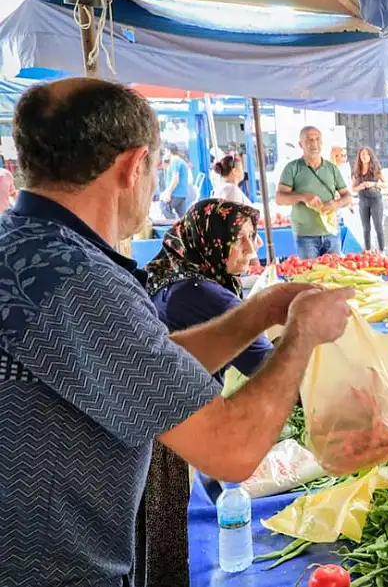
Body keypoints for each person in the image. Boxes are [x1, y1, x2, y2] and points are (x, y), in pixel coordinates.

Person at [0, 78, 355, 586]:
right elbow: (232, 451)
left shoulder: (26, 247)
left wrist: (257, 314)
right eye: (157, 169)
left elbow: (145, 361)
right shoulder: (76, 278)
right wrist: (301, 335)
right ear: (132, 165)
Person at [137, 198, 268, 586]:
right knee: (164, 533)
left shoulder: (169, 274)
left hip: (148, 420)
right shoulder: (200, 293)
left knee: (146, 534)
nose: (253, 248)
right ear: (211, 242)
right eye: (241, 240)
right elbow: (266, 364)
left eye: (254, 237)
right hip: (166, 432)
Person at [275, 126, 352, 259]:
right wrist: (303, 197)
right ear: (301, 144)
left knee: (334, 276)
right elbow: (279, 198)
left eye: (317, 139)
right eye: (309, 140)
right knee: (309, 277)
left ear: (322, 142)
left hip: (332, 233)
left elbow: (348, 197)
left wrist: (335, 204)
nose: (314, 143)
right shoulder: (292, 168)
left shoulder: (331, 168)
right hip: (306, 236)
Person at [352, 147, 386, 252]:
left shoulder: (376, 169)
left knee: (378, 226)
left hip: (376, 199)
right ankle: (367, 250)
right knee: (366, 228)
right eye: (362, 154)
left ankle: (381, 251)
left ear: (370, 156)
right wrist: (360, 186)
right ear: (359, 157)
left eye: (367, 154)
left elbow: (384, 184)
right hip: (363, 200)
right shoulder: (356, 171)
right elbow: (353, 189)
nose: (364, 156)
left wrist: (373, 184)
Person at [160, 143, 191, 219]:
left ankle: (173, 226)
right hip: (181, 193)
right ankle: (183, 228)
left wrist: (168, 193)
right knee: (183, 217)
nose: (165, 153)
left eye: (165, 151)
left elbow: (175, 179)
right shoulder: (178, 160)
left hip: (176, 193)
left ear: (169, 151)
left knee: (164, 206)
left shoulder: (175, 161)